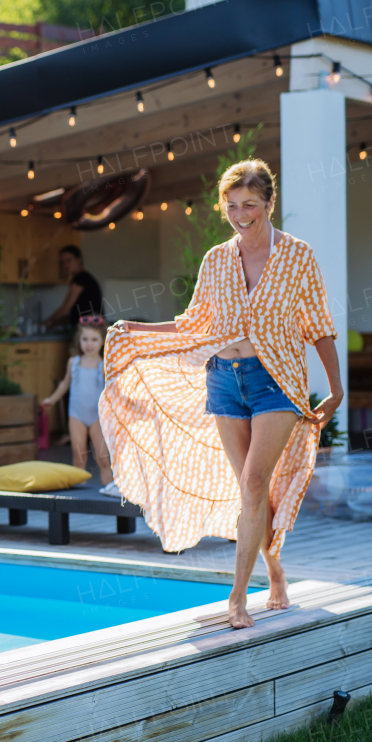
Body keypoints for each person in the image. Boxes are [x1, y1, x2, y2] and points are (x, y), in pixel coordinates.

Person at [99, 158, 342, 630]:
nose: (240, 213)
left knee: (254, 484)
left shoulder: (298, 257)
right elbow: (195, 326)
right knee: (251, 492)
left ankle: (236, 598)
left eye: (250, 204)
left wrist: (335, 387)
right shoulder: (216, 259)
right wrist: (138, 330)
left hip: (277, 381)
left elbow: (319, 327)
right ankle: (274, 570)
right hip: (224, 380)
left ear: (270, 203)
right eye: (231, 205)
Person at [41, 316, 115, 494]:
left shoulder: (105, 365)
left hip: (98, 416)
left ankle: (111, 491)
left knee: (103, 458)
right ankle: (79, 496)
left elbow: (113, 389)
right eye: (85, 339)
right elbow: (65, 384)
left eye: (94, 339)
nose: (89, 344)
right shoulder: (73, 362)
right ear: (79, 340)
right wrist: (52, 399)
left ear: (103, 341)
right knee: (78, 457)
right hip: (77, 416)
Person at [41, 245, 103, 329]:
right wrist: (50, 324)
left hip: (89, 330)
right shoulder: (84, 278)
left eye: (68, 260)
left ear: (79, 259)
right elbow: (72, 315)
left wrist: (45, 324)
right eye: (63, 262)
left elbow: (65, 310)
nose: (65, 265)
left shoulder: (80, 279)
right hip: (93, 328)